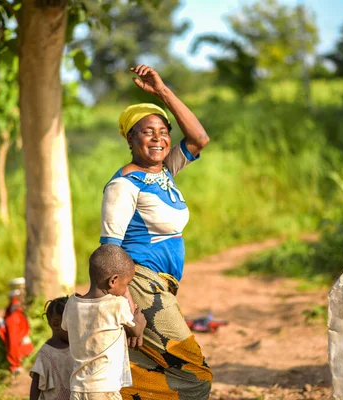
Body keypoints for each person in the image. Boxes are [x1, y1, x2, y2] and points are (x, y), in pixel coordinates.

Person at [100, 64, 212, 399]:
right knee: (195, 375)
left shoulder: (164, 172)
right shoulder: (124, 184)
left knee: (146, 364)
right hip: (141, 286)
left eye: (163, 131)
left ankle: (115, 391)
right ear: (130, 139)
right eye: (147, 132)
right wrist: (131, 310)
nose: (159, 138)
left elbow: (199, 138)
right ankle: (120, 392)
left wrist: (162, 90)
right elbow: (109, 252)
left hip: (162, 287)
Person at [62, 244, 147, 400]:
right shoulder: (117, 304)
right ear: (113, 281)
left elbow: (67, 330)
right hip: (105, 389)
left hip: (77, 389)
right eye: (126, 284)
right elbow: (136, 330)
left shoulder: (72, 304)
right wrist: (140, 317)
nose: (126, 289)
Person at [29, 296, 73, 400]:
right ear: (56, 324)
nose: (77, 329)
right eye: (72, 325)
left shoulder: (77, 348)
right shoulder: (46, 354)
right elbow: (35, 385)